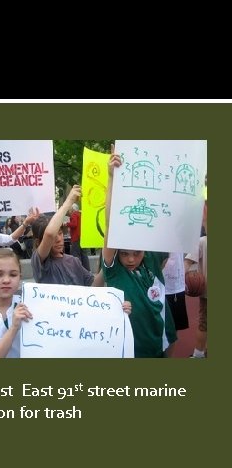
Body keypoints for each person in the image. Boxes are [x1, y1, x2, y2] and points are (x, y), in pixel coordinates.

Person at [103, 151, 177, 357]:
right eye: (125, 253)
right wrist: (111, 178)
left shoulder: (152, 258)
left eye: (137, 253)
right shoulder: (114, 269)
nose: (131, 259)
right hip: (133, 344)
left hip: (162, 333)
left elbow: (171, 220)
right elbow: (111, 225)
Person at [31, 186, 103, 287]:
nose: (58, 239)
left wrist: (106, 267)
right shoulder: (40, 263)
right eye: (53, 237)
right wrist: (69, 201)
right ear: (39, 243)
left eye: (60, 233)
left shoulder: (74, 261)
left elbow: (93, 286)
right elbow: (49, 234)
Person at [185, 235, 207, 358]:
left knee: (204, 324)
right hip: (206, 294)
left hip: (206, 294)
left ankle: (198, 355)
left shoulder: (202, 241)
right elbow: (188, 261)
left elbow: (187, 262)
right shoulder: (202, 241)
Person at [162, 253, 189, 331]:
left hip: (177, 286)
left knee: (174, 327)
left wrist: (182, 278)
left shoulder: (179, 241)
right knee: (160, 326)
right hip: (159, 284)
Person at [68, 203, 90, 271]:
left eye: (70, 209)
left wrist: (66, 224)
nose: (69, 210)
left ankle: (79, 270)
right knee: (84, 254)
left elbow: (74, 224)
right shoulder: (81, 214)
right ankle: (87, 270)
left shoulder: (74, 214)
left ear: (72, 209)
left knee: (76, 254)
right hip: (82, 237)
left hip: (76, 237)